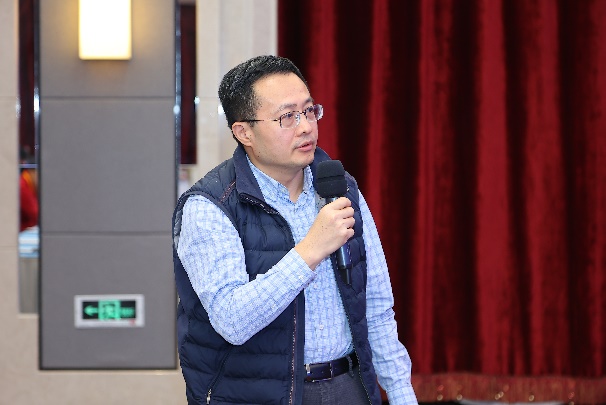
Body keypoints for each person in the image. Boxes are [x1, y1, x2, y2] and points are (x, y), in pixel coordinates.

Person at [172, 55, 418, 405]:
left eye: (309, 111)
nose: (305, 127)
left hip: (348, 387)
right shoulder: (210, 206)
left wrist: (402, 393)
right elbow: (232, 322)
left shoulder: (339, 188)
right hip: (257, 395)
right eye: (287, 117)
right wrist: (310, 250)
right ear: (244, 132)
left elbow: (376, 305)